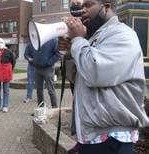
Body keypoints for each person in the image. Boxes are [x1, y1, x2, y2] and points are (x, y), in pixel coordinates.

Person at [59, 0, 149, 153]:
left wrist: (78, 41)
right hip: (95, 133)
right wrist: (70, 53)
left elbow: (95, 73)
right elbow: (80, 78)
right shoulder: (95, 38)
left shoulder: (123, 34)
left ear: (106, 7)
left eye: (88, 5)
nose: (82, 11)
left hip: (112, 136)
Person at [32, 39, 60, 108]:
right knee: (39, 90)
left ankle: (54, 107)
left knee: (50, 90)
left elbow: (58, 54)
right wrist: (35, 61)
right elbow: (31, 51)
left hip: (48, 69)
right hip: (37, 68)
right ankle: (41, 108)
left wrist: (49, 62)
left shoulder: (53, 41)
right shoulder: (37, 40)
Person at [0, 38, 16, 113]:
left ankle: (5, 106)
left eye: (1, 42)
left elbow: (13, 62)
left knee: (6, 91)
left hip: (6, 74)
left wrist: (9, 69)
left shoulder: (8, 52)